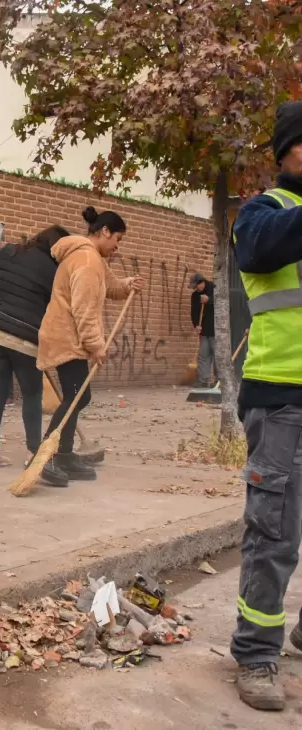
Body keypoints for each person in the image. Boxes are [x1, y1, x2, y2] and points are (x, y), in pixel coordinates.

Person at [229, 100, 302, 712]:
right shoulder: (262, 212)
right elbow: (262, 252)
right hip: (283, 400)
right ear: (289, 152)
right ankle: (256, 652)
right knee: (274, 531)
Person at [36, 207, 143, 484]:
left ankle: (64, 455)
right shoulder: (86, 260)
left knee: (78, 397)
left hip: (70, 338)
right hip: (66, 337)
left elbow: (111, 288)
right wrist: (96, 345)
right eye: (117, 239)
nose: (118, 247)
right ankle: (46, 457)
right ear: (104, 231)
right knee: (76, 397)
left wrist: (128, 284)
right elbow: (83, 309)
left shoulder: (92, 258)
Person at [0, 226, 68, 485]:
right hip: (26, 340)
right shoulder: (54, 271)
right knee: (32, 395)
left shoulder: (10, 252)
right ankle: (33, 453)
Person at [189, 272, 217, 388]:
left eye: (197, 286)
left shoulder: (215, 289)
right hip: (204, 330)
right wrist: (196, 325)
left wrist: (209, 300)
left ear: (202, 282)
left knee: (218, 355)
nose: (196, 289)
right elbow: (194, 312)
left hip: (216, 330)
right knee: (203, 355)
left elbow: (225, 305)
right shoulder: (195, 295)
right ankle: (203, 379)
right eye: (194, 287)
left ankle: (219, 381)